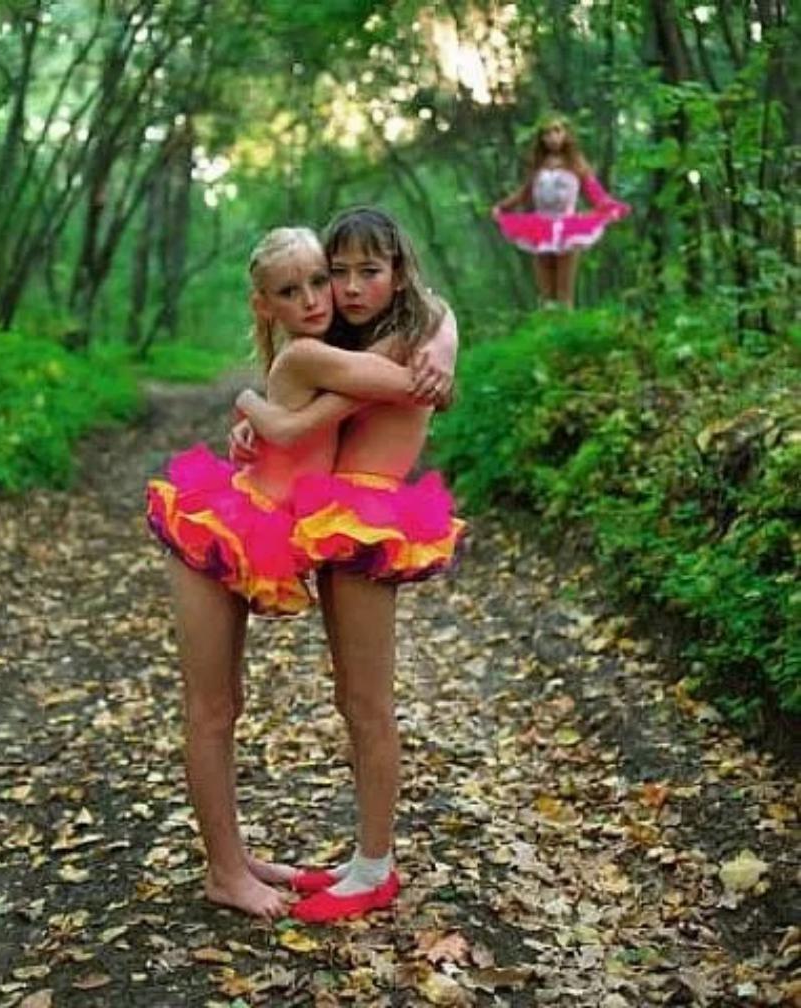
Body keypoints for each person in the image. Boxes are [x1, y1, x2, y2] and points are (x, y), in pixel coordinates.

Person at [145, 225, 456, 919]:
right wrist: (438, 350)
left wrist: (442, 336)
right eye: (295, 290)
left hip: (259, 527)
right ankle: (224, 871)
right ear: (265, 306)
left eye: (323, 281)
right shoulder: (310, 354)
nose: (320, 297)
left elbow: (333, 412)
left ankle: (238, 858)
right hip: (220, 529)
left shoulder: (318, 352)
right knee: (213, 706)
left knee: (230, 704)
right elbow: (400, 385)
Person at [231, 206, 465, 923]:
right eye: (341, 272)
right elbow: (313, 418)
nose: (352, 287)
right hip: (334, 519)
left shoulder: (408, 344)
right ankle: (365, 853)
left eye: (371, 270)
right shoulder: (379, 343)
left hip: (369, 520)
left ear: (398, 275)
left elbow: (318, 411)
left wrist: (251, 402)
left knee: (368, 702)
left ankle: (376, 867)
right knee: (349, 698)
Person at [492, 114, 629, 309]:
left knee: (565, 284)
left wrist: (612, 207)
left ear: (566, 134)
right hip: (540, 226)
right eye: (547, 133)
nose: (552, 137)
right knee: (545, 284)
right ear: (541, 138)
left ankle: (566, 322)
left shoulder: (577, 163)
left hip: (567, 226)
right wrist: (503, 207)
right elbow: (524, 193)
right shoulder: (538, 165)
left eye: (557, 131)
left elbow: (594, 192)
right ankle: (547, 322)